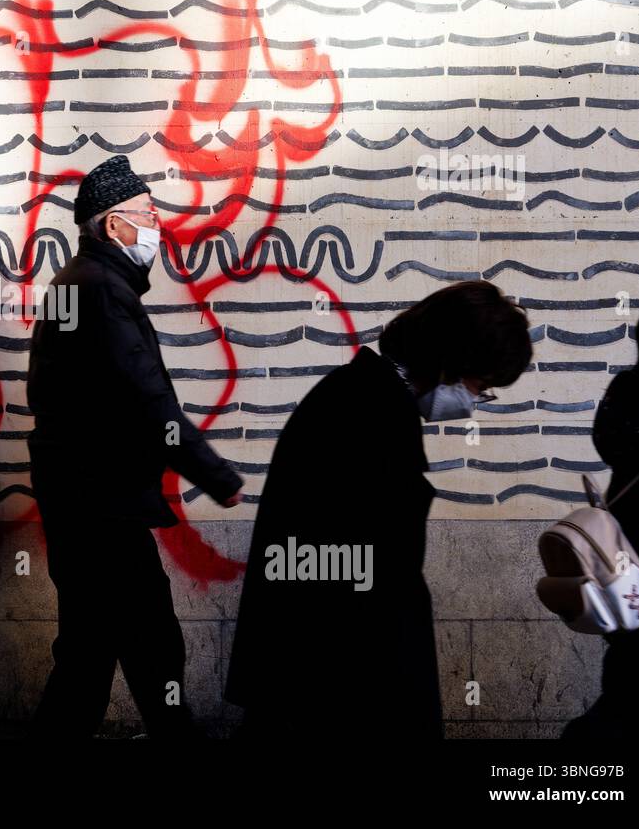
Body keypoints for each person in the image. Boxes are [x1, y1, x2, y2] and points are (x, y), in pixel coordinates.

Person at [223, 281, 532, 739]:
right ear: (450, 362)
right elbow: (360, 563)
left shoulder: (363, 394)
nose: (474, 401)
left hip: (313, 664)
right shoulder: (373, 411)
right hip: (331, 667)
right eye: (480, 385)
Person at [26, 154, 245, 738]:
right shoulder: (98, 290)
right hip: (102, 503)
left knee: (90, 650)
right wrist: (214, 472)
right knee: (144, 639)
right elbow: (146, 396)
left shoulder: (81, 283)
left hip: (85, 498)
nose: (157, 224)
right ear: (113, 224)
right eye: (147, 213)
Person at [562, 301, 639, 739]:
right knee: (631, 706)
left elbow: (609, 446)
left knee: (631, 694)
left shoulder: (626, 391)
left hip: (630, 572)